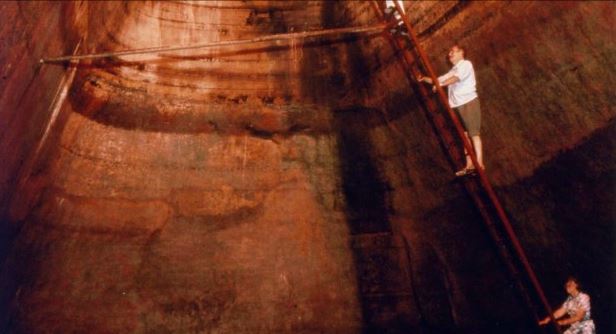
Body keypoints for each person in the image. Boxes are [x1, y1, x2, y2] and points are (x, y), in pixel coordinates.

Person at [417, 45, 484, 177]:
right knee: (465, 136)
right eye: (450, 52)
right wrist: (424, 78)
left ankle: (480, 163)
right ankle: (469, 165)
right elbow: (438, 81)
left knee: (473, 133)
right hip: (457, 106)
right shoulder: (453, 70)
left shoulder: (465, 64)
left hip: (468, 102)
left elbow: (456, 79)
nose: (449, 54)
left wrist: (441, 84)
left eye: (452, 51)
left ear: (461, 53)